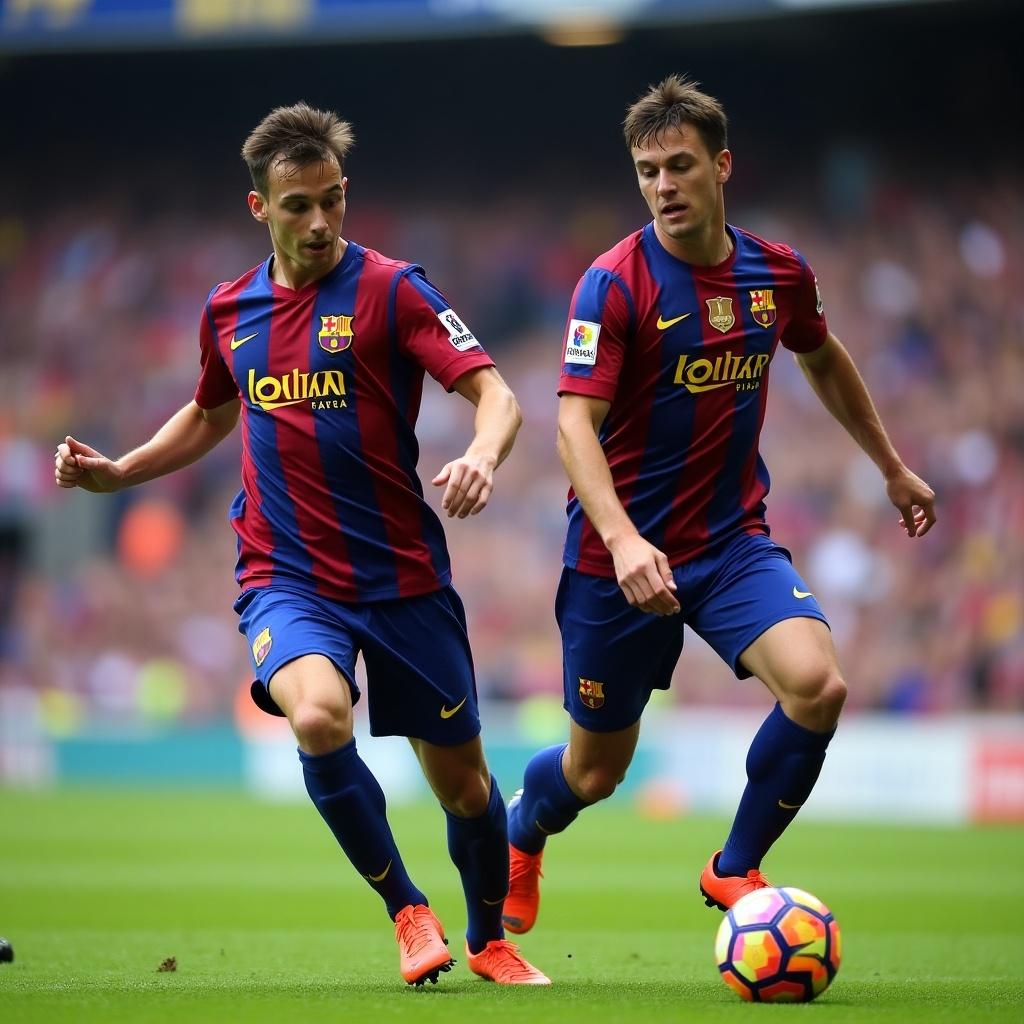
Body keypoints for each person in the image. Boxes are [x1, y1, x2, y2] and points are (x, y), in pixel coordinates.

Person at [54, 102, 548, 987]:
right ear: (260, 208)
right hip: (285, 574)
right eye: (297, 205)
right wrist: (122, 471)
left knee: (465, 788)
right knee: (319, 714)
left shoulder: (395, 289)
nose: (319, 221)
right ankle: (408, 913)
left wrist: (481, 453)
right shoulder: (229, 309)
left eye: (332, 200)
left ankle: (488, 939)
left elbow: (498, 396)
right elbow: (211, 411)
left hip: (401, 575)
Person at [502, 75, 936, 934]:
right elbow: (572, 427)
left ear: (721, 165)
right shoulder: (612, 284)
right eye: (646, 171)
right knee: (594, 775)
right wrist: (624, 541)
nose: (663, 185)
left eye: (679, 165)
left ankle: (733, 869)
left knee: (819, 687)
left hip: (731, 541)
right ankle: (520, 831)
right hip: (613, 558)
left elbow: (823, 356)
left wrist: (890, 464)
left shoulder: (775, 273)